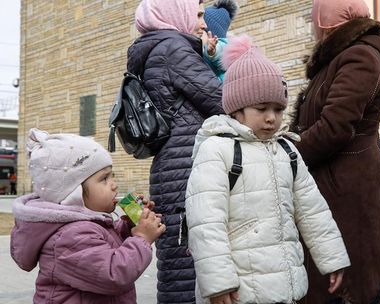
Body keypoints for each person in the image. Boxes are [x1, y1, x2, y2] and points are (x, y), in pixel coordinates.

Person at [185, 35, 351, 304]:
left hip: (285, 286)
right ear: (236, 109)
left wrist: (332, 258)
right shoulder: (217, 150)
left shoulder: (287, 151)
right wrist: (217, 283)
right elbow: (205, 222)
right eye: (261, 108)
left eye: (278, 109)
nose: (272, 117)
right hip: (238, 290)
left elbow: (313, 210)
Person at [290, 0, 380, 302]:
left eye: (315, 18)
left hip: (346, 187)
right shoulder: (342, 56)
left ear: (327, 21)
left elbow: (334, 127)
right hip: (334, 182)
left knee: (350, 280)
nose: (312, 25)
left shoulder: (359, 56)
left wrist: (287, 154)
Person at [128, 0, 224, 302]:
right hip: (186, 171)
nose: (204, 23)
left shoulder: (155, 50)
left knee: (176, 270)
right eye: (197, 14)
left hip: (171, 168)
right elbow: (223, 101)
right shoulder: (173, 49)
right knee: (186, 271)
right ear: (175, 15)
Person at [10, 128, 165, 303]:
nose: (114, 185)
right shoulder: (70, 237)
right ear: (73, 193)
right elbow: (113, 274)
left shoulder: (85, 225)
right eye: (104, 178)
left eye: (111, 175)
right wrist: (142, 238)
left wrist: (130, 227)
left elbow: (104, 246)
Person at [202, 0, 239, 81]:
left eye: (202, 32)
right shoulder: (204, 49)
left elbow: (221, 54)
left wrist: (213, 52)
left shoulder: (222, 46)